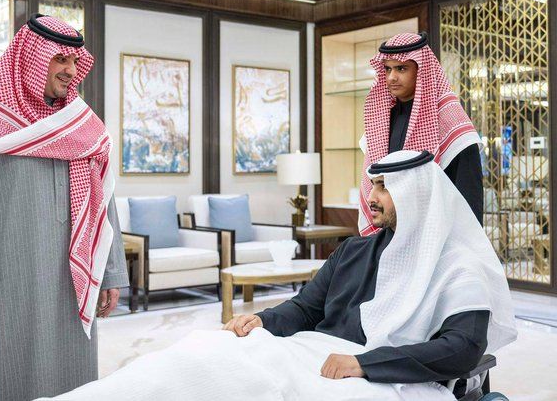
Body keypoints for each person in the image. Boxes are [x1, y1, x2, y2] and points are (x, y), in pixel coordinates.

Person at [44, 150, 516, 401]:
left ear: (418, 197)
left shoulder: (457, 267)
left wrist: (364, 364)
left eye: (385, 188)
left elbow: (462, 349)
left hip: (374, 378)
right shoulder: (354, 250)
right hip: (307, 354)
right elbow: (305, 308)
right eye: (373, 184)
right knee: (202, 354)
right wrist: (262, 321)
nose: (371, 197)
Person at [0, 14, 129, 401]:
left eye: (74, 61)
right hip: (6, 287)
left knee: (74, 385)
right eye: (60, 59)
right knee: (4, 378)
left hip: (71, 283)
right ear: (31, 58)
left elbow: (101, 201)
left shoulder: (81, 124)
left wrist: (111, 270)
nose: (70, 70)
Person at [359, 32, 483, 236]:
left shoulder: (451, 123)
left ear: (421, 70)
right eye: (388, 69)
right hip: (390, 235)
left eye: (401, 68)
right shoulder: (379, 121)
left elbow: (469, 197)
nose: (392, 77)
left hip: (437, 235)